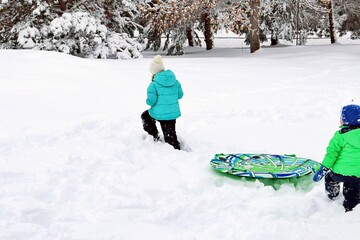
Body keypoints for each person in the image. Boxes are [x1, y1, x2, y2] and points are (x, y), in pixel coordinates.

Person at [313, 104, 360, 212]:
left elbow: (331, 155)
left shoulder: (339, 136)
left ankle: (332, 195)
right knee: (353, 189)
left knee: (330, 176)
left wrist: (323, 169)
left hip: (339, 173)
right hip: (358, 175)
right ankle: (351, 206)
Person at [141, 55, 184, 150]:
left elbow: (151, 102)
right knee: (170, 135)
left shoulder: (153, 85)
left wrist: (147, 100)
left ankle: (154, 134)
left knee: (145, 116)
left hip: (159, 114)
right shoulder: (175, 81)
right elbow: (180, 95)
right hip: (172, 114)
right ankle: (176, 148)